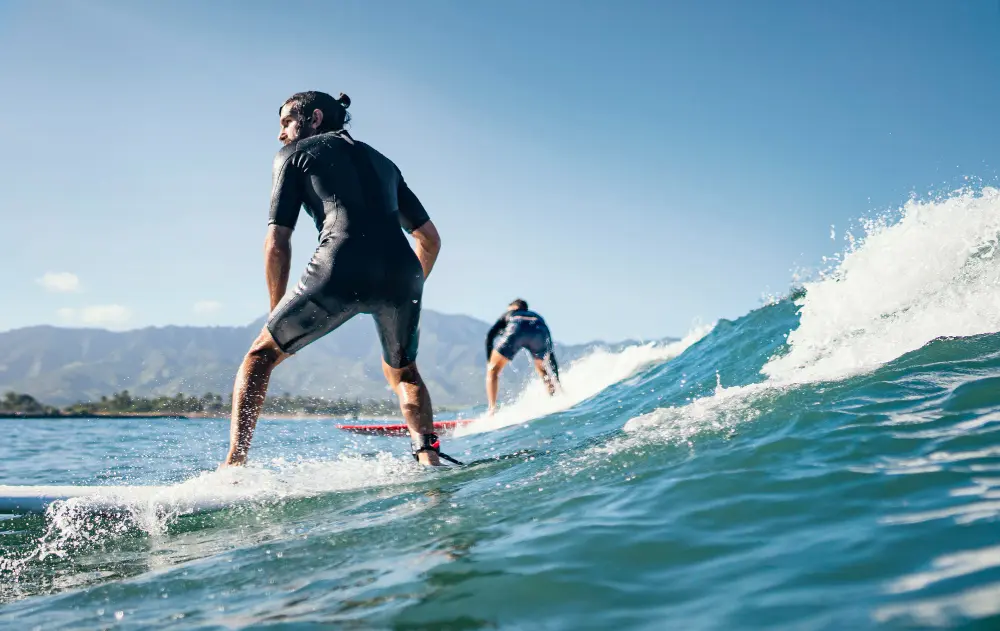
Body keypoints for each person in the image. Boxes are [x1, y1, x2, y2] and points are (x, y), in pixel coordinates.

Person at [222, 90, 458, 468]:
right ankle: (428, 458)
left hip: (339, 264)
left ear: (314, 119)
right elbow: (429, 239)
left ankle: (234, 466)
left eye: (285, 122)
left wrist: (276, 313)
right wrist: (410, 286)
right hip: (402, 274)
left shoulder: (293, 155)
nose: (281, 134)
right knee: (405, 372)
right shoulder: (385, 163)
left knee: (259, 357)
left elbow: (276, 242)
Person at [484, 299, 561, 414]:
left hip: (516, 329)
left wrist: (489, 361)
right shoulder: (537, 316)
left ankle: (492, 410)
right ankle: (556, 399)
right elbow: (550, 353)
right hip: (539, 333)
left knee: (493, 370)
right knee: (543, 371)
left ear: (514, 307)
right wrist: (557, 379)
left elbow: (490, 336)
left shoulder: (511, 313)